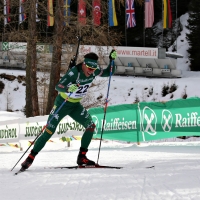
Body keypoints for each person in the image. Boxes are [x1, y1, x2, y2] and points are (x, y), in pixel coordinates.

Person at [21, 49, 117, 170]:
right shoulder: (74, 73)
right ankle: (30, 157)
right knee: (49, 131)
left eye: (93, 68)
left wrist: (112, 60)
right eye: (88, 68)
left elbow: (109, 72)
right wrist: (67, 88)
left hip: (75, 106)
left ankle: (82, 157)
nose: (91, 71)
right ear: (83, 64)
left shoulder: (94, 71)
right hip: (62, 104)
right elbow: (58, 86)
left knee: (90, 126)